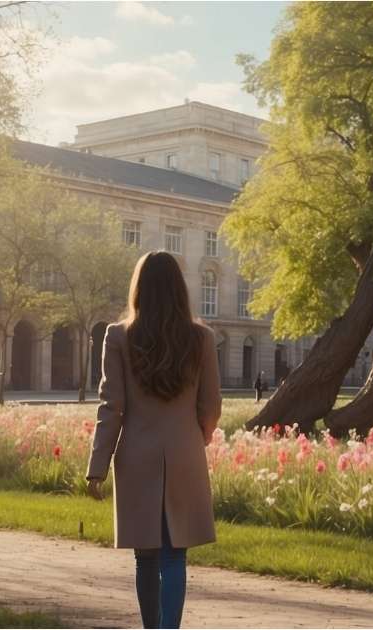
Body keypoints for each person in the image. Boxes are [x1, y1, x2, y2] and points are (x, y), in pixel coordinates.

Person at [86, 251, 221, 629]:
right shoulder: (202, 338)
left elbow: (111, 407)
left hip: (136, 457)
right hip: (185, 455)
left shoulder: (118, 337)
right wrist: (197, 438)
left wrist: (96, 467)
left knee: (145, 557)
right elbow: (211, 405)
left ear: (139, 289)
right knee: (175, 556)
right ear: (180, 289)